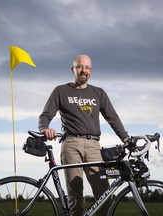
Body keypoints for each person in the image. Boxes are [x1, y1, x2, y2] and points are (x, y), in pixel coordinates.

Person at [38, 54, 129, 216]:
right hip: (71, 144)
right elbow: (45, 116)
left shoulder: (98, 93)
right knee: (75, 194)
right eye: (80, 67)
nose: (83, 70)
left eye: (87, 68)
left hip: (94, 145)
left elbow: (112, 117)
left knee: (104, 194)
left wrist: (126, 138)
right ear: (72, 69)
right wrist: (45, 128)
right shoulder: (61, 91)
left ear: (91, 71)